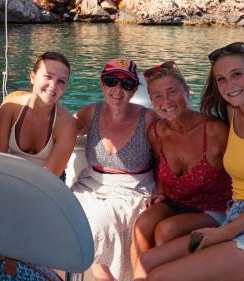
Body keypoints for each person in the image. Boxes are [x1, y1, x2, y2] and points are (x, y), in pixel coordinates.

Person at [134, 42, 244, 281]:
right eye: (221, 79)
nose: (230, 85)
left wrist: (223, 233)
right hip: (236, 216)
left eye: (237, 74)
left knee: (159, 276)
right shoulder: (233, 112)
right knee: (146, 261)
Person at [130, 60, 232, 275]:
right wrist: (158, 193)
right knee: (143, 224)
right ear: (151, 100)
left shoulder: (215, 130)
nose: (166, 101)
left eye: (172, 92)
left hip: (215, 208)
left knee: (167, 230)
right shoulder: (156, 133)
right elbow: (158, 166)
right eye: (157, 96)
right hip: (175, 202)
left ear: (187, 91)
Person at [72, 57, 159, 281]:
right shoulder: (90, 113)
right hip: (90, 186)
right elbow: (62, 132)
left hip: (133, 190)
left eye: (127, 84)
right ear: (103, 83)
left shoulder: (148, 119)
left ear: (133, 90)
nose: (118, 89)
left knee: (97, 224)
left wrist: (162, 193)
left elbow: (166, 158)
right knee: (69, 216)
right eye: (111, 81)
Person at [0, 51, 77, 178]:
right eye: (48, 76)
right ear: (32, 77)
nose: (53, 85)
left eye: (61, 81)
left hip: (45, 184)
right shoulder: (10, 108)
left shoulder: (66, 124)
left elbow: (50, 179)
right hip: (9, 175)